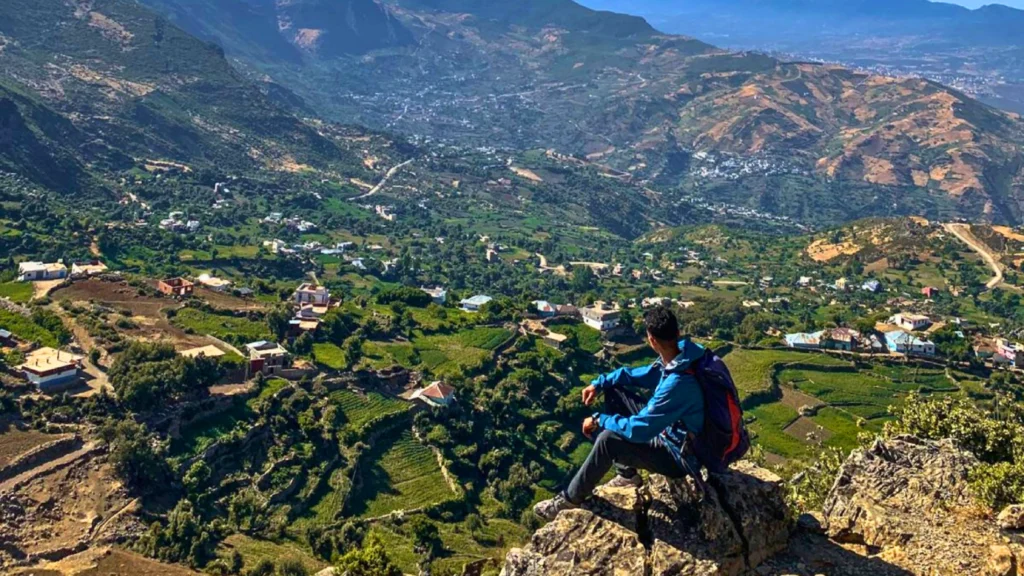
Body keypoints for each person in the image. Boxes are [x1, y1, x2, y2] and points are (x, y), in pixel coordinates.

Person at [534, 306, 705, 521]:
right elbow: (637, 375)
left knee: (608, 439)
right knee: (613, 390)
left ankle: (569, 499)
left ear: (651, 340)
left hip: (680, 456)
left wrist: (599, 419)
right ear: (677, 332)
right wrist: (599, 383)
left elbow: (638, 431)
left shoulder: (678, 382)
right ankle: (628, 475)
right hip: (676, 432)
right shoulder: (683, 357)